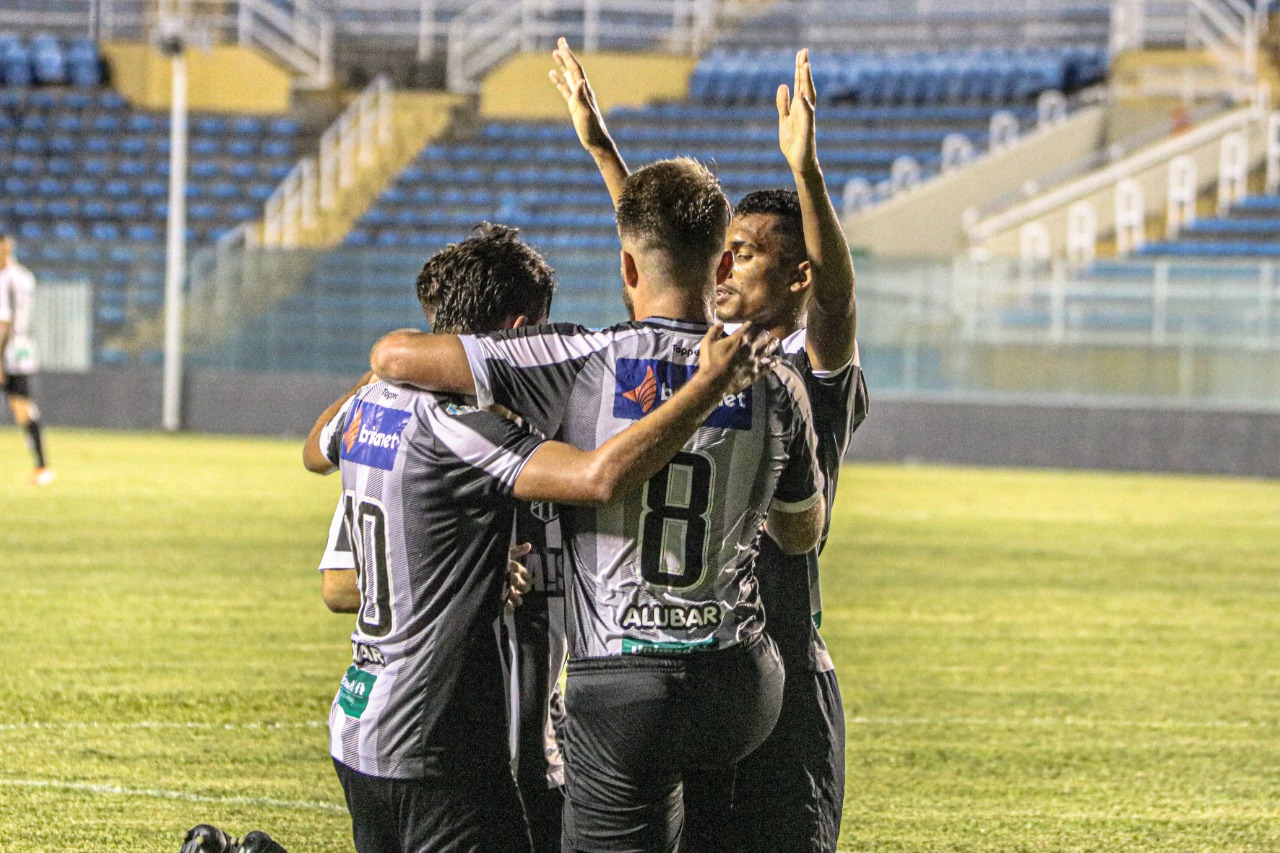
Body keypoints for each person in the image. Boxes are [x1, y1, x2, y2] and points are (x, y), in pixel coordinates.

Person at [369, 160, 827, 853]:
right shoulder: (777, 380)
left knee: (624, 776)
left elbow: (396, 355)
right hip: (741, 686)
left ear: (627, 267)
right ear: (721, 260)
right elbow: (801, 532)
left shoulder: (580, 357)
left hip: (626, 685)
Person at [551, 41, 868, 852]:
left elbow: (837, 296)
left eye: (753, 253)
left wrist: (809, 172)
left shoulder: (804, 370)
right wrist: (601, 149)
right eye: (728, 249)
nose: (727, 265)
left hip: (784, 675)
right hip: (700, 663)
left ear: (797, 276)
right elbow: (664, 258)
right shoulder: (704, 367)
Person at [0, 233, 53, 486]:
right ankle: (42, 466)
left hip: (10, 348)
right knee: (22, 407)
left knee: (22, 407)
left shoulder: (9, 279)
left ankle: (42, 466)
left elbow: (4, 324)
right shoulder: (24, 276)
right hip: (21, 346)